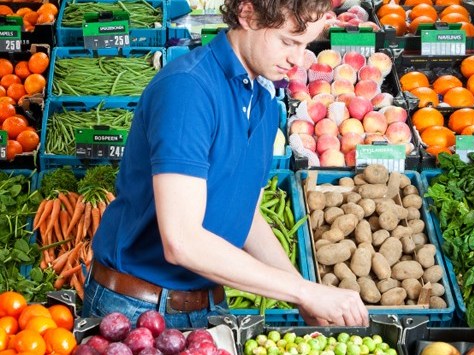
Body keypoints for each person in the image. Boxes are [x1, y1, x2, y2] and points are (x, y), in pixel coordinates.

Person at [83, 0, 369, 328]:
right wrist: (302, 291)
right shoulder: (188, 89)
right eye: (288, 42)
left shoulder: (262, 100)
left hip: (208, 304)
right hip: (138, 310)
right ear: (247, 14)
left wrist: (306, 297)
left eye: (305, 45)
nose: (296, 59)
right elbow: (182, 242)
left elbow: (245, 218)